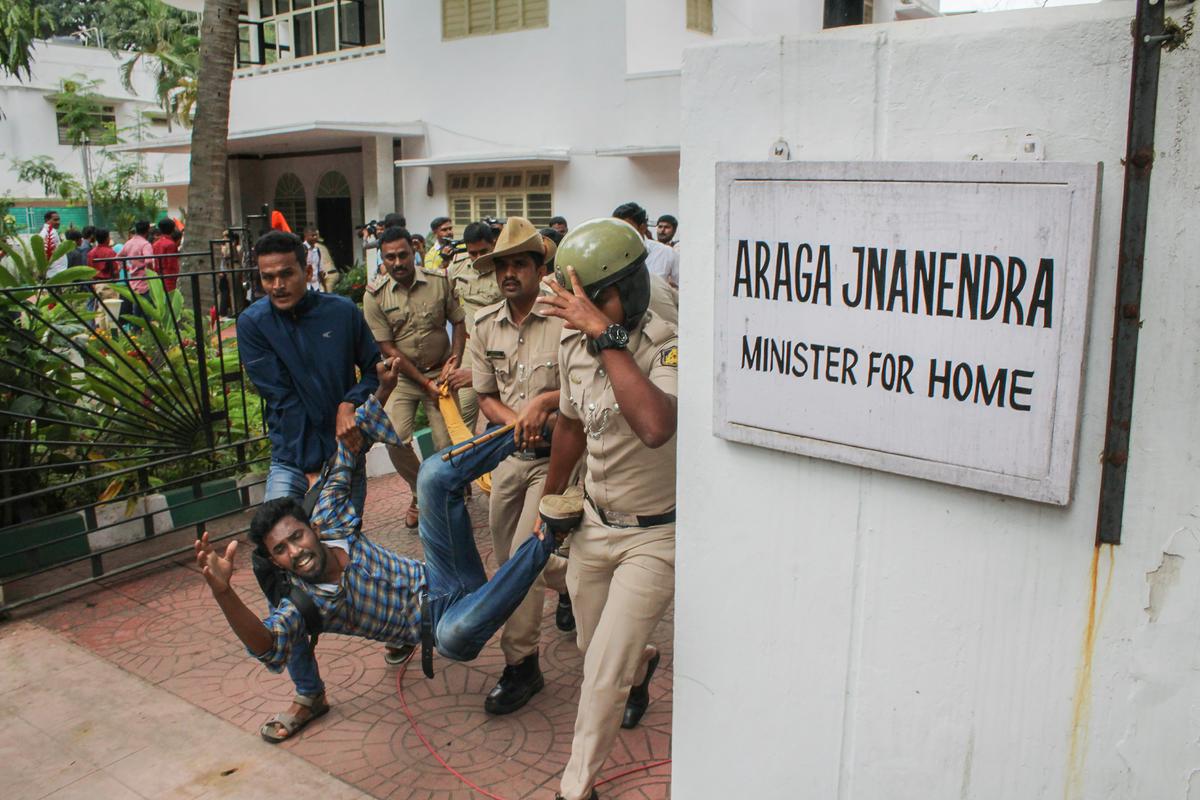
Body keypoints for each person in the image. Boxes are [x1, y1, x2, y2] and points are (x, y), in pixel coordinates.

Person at [194, 361, 563, 742]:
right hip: (442, 621)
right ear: (276, 562)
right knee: (453, 639)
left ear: (314, 529)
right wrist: (224, 592)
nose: (296, 551)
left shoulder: (331, 518)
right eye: (282, 551)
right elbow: (269, 646)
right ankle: (551, 532)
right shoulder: (306, 605)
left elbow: (350, 448)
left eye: (297, 537)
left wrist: (384, 388)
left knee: (432, 477)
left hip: (443, 572)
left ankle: (532, 432)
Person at [535, 218, 678, 800]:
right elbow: (569, 424)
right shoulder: (574, 342)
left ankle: (577, 787)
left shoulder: (666, 342)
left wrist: (608, 338)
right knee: (592, 648)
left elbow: (654, 426)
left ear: (632, 288)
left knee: (601, 676)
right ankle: (642, 661)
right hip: (595, 522)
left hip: (656, 536)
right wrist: (552, 498)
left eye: (598, 299)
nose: (584, 312)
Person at [236, 229, 384, 743]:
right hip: (295, 461)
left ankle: (399, 628)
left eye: (286, 273)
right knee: (281, 569)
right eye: (267, 277)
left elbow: (375, 373)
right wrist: (316, 472)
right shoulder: (253, 324)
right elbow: (283, 399)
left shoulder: (342, 313)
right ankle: (308, 691)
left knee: (347, 561)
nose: (277, 285)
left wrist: (351, 402)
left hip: (346, 453)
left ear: (308, 270)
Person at [466, 217, 576, 715]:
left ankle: (521, 665)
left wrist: (545, 403)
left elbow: (586, 385)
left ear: (539, 266)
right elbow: (485, 396)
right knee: (516, 558)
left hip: (558, 458)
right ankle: (573, 581)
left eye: (518, 264)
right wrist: (519, 421)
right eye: (501, 265)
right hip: (509, 456)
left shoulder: (565, 319)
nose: (509, 273)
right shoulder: (485, 324)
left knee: (519, 563)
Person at [362, 226, 465, 529]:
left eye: (403, 254)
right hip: (403, 379)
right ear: (382, 258)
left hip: (441, 373)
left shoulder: (438, 282)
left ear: (415, 251)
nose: (397, 262)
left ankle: (449, 492)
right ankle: (421, 492)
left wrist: (455, 359)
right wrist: (424, 383)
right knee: (393, 436)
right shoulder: (375, 296)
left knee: (447, 443)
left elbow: (458, 322)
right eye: (389, 257)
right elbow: (386, 348)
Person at [444, 220, 504, 433]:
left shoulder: (505, 268)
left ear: (494, 244)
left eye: (483, 251)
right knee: (465, 407)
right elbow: (446, 302)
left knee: (506, 403)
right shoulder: (457, 268)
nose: (478, 258)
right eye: (473, 253)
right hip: (471, 346)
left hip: (503, 346)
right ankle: (464, 460)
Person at [613, 202, 679, 289]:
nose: (619, 234)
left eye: (625, 228)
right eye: (615, 228)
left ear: (642, 228)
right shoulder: (608, 254)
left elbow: (685, 286)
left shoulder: (666, 253)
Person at [122, 220, 155, 309]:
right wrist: (152, 273)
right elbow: (148, 261)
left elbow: (118, 258)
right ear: (147, 230)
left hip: (133, 280)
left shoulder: (128, 243)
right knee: (147, 309)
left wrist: (127, 268)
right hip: (145, 281)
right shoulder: (145, 244)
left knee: (136, 308)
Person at [151, 218, 181, 292]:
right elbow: (172, 265)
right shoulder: (170, 244)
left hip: (158, 276)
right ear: (173, 229)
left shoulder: (156, 244)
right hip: (169, 278)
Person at [39, 211, 66, 278]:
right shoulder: (50, 232)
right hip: (54, 273)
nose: (58, 222)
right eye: (55, 220)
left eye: (59, 219)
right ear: (47, 220)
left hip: (55, 273)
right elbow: (45, 254)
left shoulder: (50, 231)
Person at [303, 226, 323, 293]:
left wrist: (324, 286)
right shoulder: (302, 249)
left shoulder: (317, 250)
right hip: (305, 286)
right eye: (313, 235)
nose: (315, 237)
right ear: (306, 236)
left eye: (316, 235)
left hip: (316, 286)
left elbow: (319, 269)